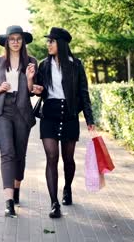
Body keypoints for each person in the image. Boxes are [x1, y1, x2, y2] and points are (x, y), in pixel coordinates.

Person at [33, 27, 95, 218]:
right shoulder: (44, 65)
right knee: (52, 157)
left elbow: (83, 92)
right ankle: (54, 204)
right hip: (49, 115)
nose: (48, 44)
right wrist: (36, 88)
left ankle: (67, 188)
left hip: (69, 116)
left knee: (68, 159)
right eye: (48, 41)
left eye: (51, 41)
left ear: (60, 43)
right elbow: (39, 90)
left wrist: (90, 119)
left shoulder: (76, 65)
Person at [0, 25, 38, 217]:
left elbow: (33, 90)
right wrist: (0, 88)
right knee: (7, 152)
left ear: (23, 41)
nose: (15, 42)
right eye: (12, 39)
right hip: (2, 111)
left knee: (20, 154)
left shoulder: (31, 61)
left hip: (22, 111)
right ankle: (8, 201)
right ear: (7, 42)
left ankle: (17, 188)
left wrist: (31, 80)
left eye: (18, 39)